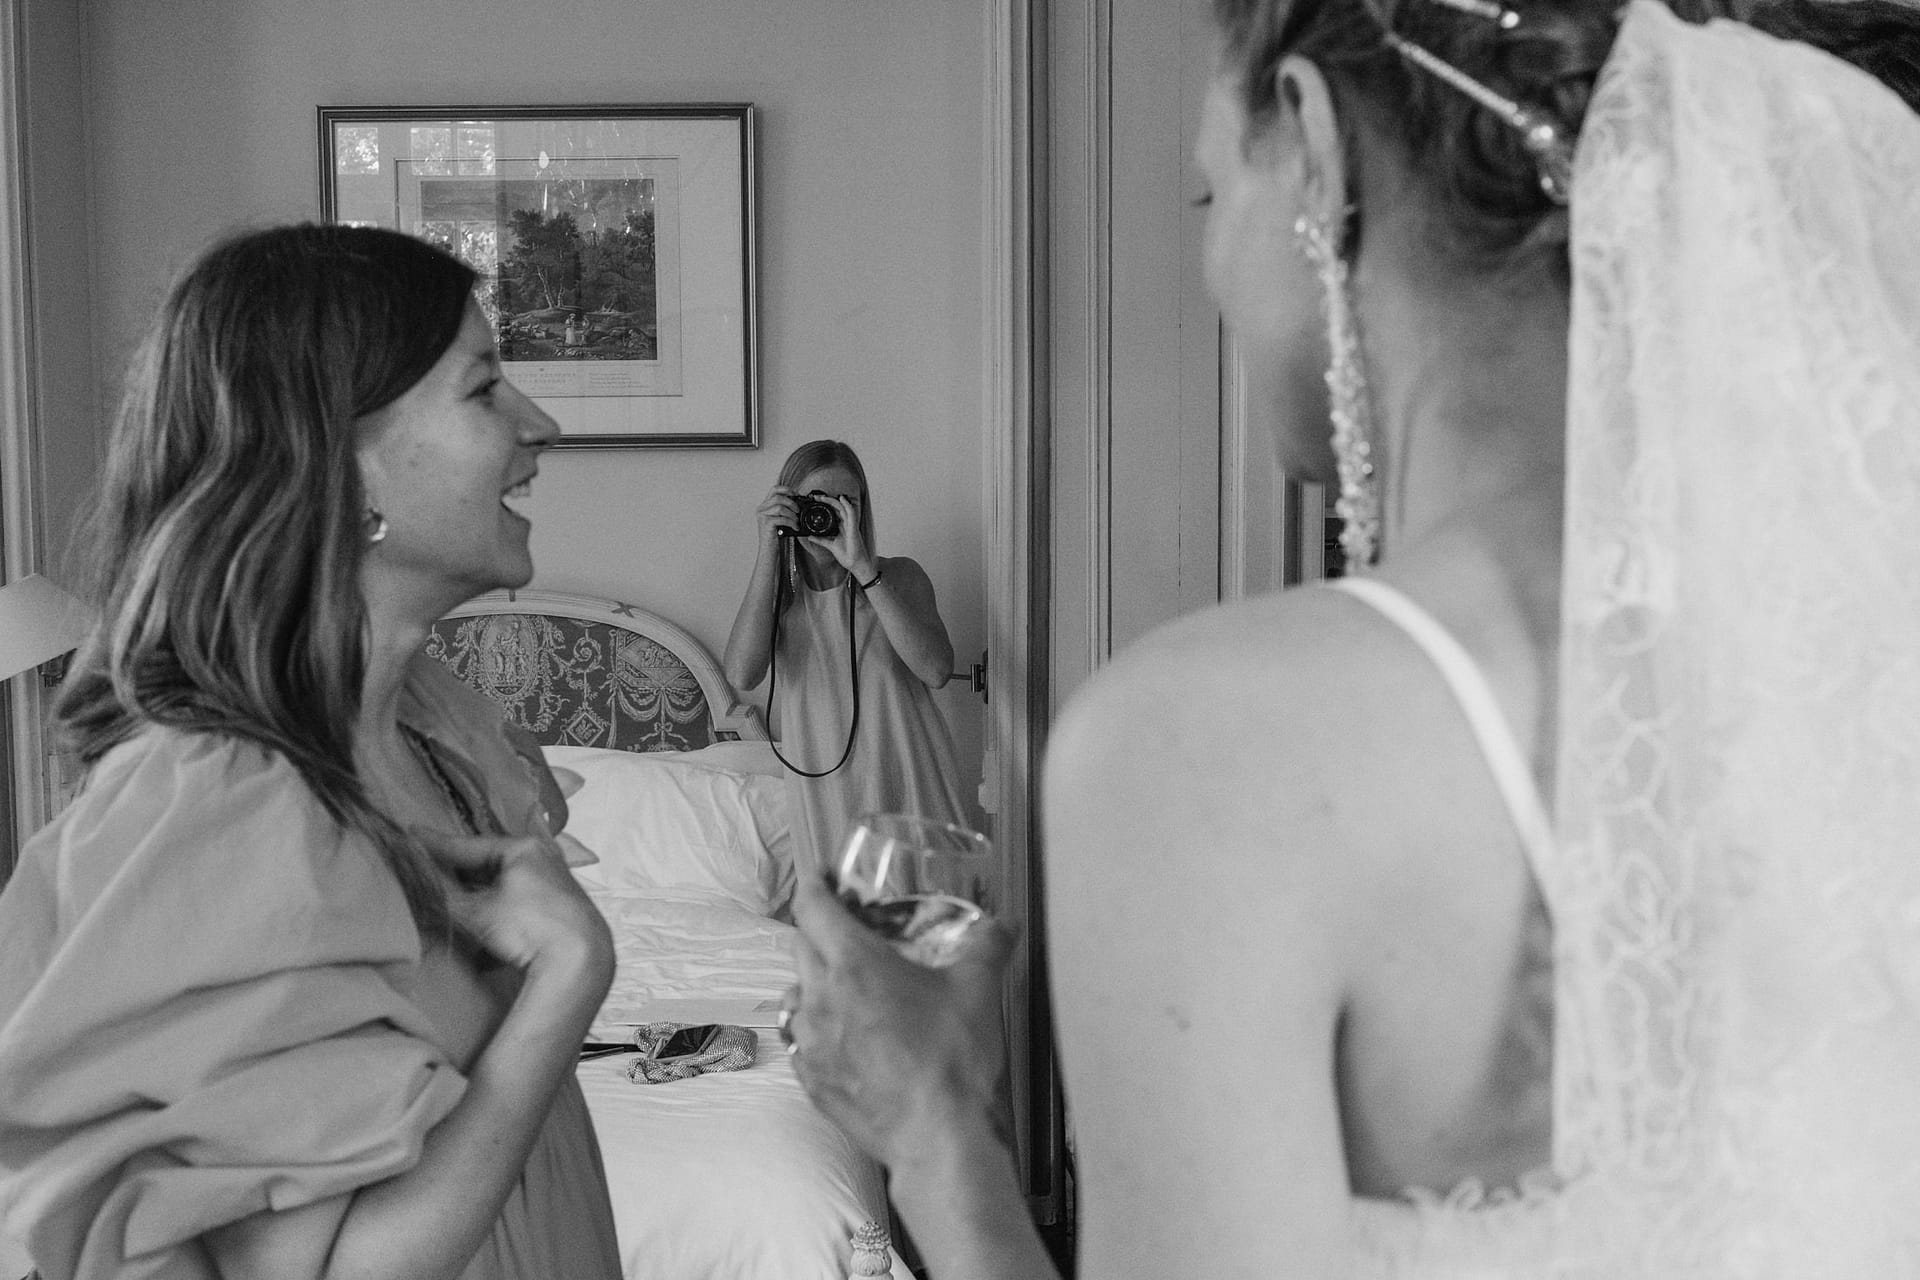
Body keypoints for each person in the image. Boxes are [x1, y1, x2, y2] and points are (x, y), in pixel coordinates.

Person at [783, 0, 1920, 1275]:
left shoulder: (1213, 749)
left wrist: (935, 1129)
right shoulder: (1862, 661)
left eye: (1211, 197)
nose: (1212, 271)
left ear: (1318, 148)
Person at [0, 224, 623, 1280]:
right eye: (483, 390)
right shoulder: (221, 799)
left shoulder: (430, 725)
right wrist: (569, 978)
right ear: (338, 461)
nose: (540, 423)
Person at [723, 440, 971, 876]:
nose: (829, 515)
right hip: (826, 805)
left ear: (862, 509)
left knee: (925, 934)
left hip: (909, 793)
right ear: (788, 506)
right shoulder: (781, 603)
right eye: (814, 502)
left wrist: (862, 569)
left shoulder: (900, 577)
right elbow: (742, 673)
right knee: (847, 932)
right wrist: (768, 547)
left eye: (845, 502)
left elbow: (935, 671)